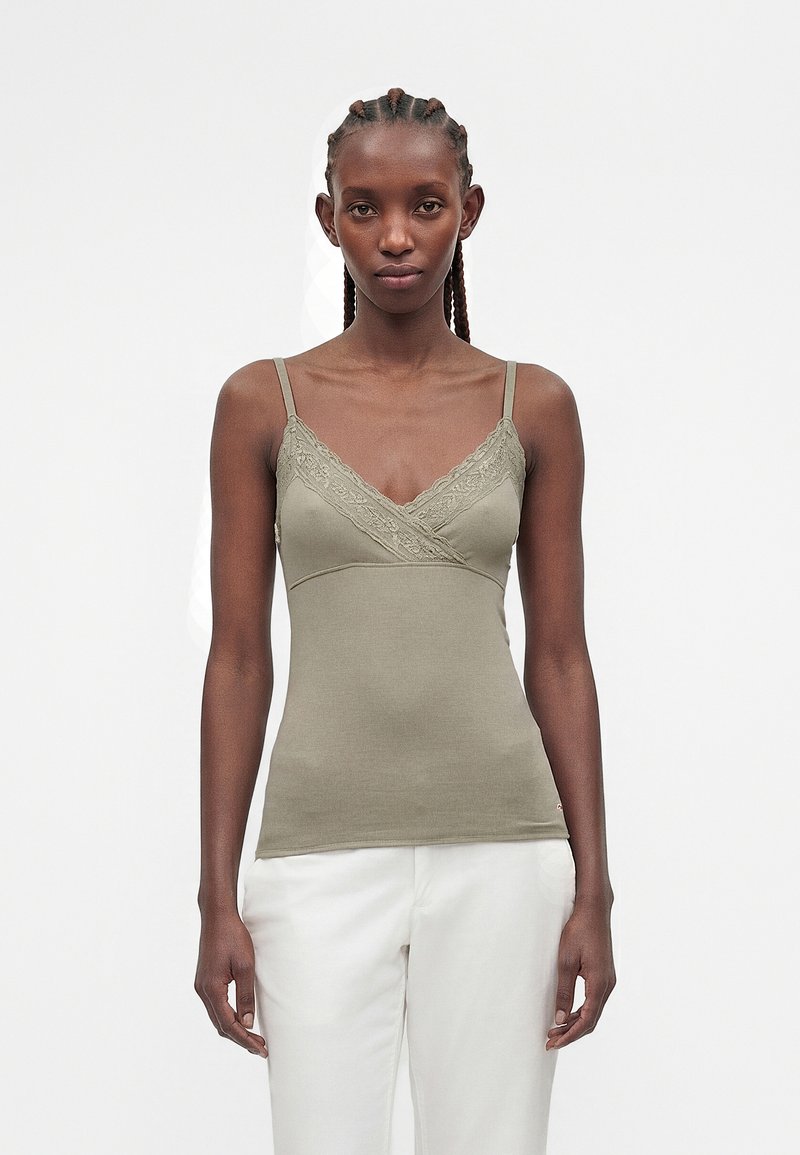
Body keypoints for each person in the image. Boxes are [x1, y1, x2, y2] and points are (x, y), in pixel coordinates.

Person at [194, 87, 616, 1155]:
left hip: (506, 852)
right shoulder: (260, 404)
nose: (394, 236)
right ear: (326, 217)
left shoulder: (534, 406)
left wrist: (594, 890)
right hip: (314, 856)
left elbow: (560, 658)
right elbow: (237, 659)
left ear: (468, 211)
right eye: (364, 206)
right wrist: (215, 898)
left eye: (425, 204)